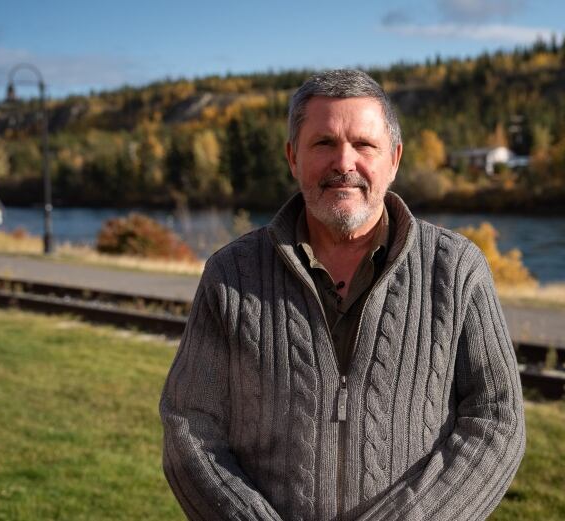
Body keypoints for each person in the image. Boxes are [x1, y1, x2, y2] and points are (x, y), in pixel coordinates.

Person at [160, 69, 525, 521]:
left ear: (394, 158)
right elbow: (189, 425)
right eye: (323, 143)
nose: (344, 163)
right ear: (293, 157)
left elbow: (497, 420)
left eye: (364, 145)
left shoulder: (455, 269)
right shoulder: (230, 274)